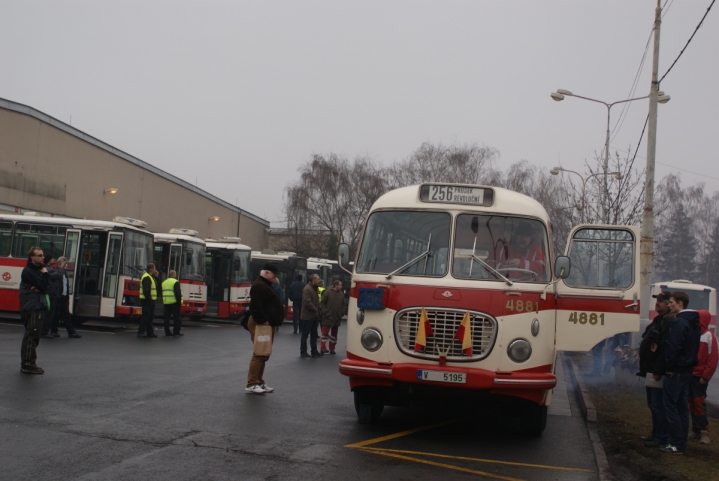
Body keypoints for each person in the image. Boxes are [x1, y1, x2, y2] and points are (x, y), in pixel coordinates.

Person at [660, 291, 701, 455]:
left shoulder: (679, 323)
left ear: (680, 303)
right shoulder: (693, 322)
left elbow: (674, 347)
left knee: (671, 407)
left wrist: (667, 366)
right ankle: (681, 443)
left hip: (676, 370)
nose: (669, 305)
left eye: (671, 302)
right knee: (682, 407)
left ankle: (675, 443)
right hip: (686, 370)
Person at [638, 291, 674, 448]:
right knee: (653, 405)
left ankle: (661, 437)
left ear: (669, 304)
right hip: (650, 370)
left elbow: (664, 349)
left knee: (659, 406)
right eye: (657, 300)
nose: (657, 303)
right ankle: (655, 433)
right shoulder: (659, 320)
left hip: (657, 372)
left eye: (661, 301)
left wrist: (658, 370)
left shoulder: (669, 322)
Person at [245, 263, 284, 394]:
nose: (275, 277)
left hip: (265, 323)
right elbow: (255, 306)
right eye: (273, 274)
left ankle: (259, 382)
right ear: (266, 273)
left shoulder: (264, 285)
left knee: (264, 354)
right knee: (259, 353)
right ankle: (252, 383)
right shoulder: (259, 286)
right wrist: (263, 321)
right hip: (261, 323)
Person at [19, 246, 51, 374]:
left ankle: (29, 363)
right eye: (39, 255)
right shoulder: (29, 271)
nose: (42, 257)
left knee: (34, 336)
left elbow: (47, 288)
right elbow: (44, 286)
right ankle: (27, 364)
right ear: (32, 257)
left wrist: (42, 285)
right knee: (31, 336)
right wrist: (45, 275)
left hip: (37, 306)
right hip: (33, 307)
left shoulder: (38, 270)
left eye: (42, 255)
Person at [687, 309, 718, 444]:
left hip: (700, 377)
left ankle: (704, 431)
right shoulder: (693, 334)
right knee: (691, 402)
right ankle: (695, 429)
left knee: (699, 403)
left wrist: (705, 376)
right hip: (689, 374)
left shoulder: (709, 336)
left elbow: (713, 358)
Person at [51, 257, 81, 338]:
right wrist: (61, 266)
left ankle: (71, 332)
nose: (66, 263)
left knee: (66, 315)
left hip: (64, 296)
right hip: (58, 296)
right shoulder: (56, 270)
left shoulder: (64, 272)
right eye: (64, 261)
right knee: (56, 315)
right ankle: (53, 331)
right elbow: (58, 275)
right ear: (60, 262)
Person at [299, 274, 323, 358]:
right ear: (313, 280)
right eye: (318, 279)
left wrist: (319, 308)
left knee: (314, 334)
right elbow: (307, 302)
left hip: (314, 316)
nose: (319, 281)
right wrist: (316, 309)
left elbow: (316, 301)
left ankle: (314, 351)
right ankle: (303, 351)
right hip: (308, 316)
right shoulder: (307, 289)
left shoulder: (314, 288)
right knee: (305, 335)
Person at [320, 280, 345, 355]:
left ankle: (332, 349)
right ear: (336, 285)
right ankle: (323, 348)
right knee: (324, 334)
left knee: (334, 335)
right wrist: (325, 312)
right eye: (340, 285)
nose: (341, 286)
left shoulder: (341, 294)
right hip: (328, 317)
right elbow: (322, 303)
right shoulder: (327, 292)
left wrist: (341, 313)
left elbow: (343, 305)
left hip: (337, 317)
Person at [41, 256, 62, 339]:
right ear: (48, 260)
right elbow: (59, 275)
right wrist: (60, 267)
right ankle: (44, 331)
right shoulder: (47, 269)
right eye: (52, 258)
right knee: (49, 314)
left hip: (54, 293)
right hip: (51, 294)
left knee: (52, 314)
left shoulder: (51, 268)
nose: (54, 260)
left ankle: (46, 330)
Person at [138, 263, 159, 338]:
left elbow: (156, 287)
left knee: (150, 317)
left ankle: (150, 332)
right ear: (151, 269)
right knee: (146, 316)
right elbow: (146, 291)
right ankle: (141, 332)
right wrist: (149, 299)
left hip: (150, 300)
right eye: (154, 268)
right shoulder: (147, 277)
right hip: (147, 300)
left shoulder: (150, 277)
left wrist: (156, 277)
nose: (155, 270)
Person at [162, 270, 183, 337]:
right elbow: (178, 294)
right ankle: (176, 332)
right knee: (176, 318)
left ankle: (167, 332)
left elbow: (162, 293)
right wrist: (179, 302)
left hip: (166, 303)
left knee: (166, 319)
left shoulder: (164, 282)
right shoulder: (175, 282)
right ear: (175, 275)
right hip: (174, 302)